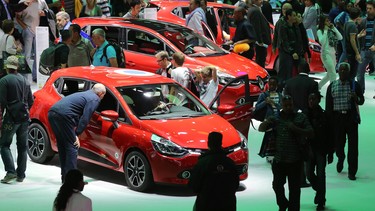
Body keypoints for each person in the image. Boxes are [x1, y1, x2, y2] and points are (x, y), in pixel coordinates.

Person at [259, 95, 313, 211]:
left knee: (294, 190)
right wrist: (268, 121)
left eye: (290, 105)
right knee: (277, 186)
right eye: (286, 105)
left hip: (295, 160)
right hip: (279, 160)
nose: (289, 107)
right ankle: (283, 204)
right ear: (282, 106)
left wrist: (295, 129)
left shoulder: (300, 117)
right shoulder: (276, 118)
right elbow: (261, 128)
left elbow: (310, 132)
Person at [48, 83, 106, 182]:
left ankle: (65, 178)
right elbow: (85, 118)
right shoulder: (94, 99)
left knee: (63, 146)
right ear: (101, 94)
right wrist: (76, 134)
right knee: (72, 147)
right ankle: (72, 181)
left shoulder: (86, 94)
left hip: (52, 113)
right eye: (104, 96)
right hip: (64, 117)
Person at [326, 62, 364, 181]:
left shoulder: (354, 85)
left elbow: (361, 100)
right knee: (339, 144)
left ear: (348, 72)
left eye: (345, 70)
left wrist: (356, 98)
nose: (343, 72)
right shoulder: (332, 86)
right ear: (338, 71)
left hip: (351, 118)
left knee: (353, 146)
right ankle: (340, 157)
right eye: (341, 70)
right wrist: (329, 122)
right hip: (337, 119)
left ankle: (352, 171)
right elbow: (328, 106)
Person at [0, 55, 33, 184]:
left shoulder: (4, 81)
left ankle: (10, 172)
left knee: (4, 144)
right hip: (24, 118)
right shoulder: (25, 80)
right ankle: (21, 175)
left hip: (11, 118)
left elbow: (1, 102)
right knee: (22, 147)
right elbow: (30, 101)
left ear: (6, 66)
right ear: (17, 66)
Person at [188, 131, 239, 211]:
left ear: (208, 143)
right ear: (221, 143)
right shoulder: (230, 163)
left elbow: (194, 187)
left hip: (206, 205)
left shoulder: (202, 163)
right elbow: (236, 184)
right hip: (228, 205)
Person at [305, 92, 334, 211]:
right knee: (309, 174)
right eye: (310, 99)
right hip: (309, 150)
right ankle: (320, 191)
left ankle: (321, 201)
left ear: (318, 100)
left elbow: (330, 134)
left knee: (321, 175)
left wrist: (331, 152)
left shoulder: (324, 115)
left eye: (314, 99)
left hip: (321, 150)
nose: (311, 101)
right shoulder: (304, 115)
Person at [255, 76, 282, 161]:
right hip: (268, 119)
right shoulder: (264, 95)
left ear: (277, 85)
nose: (272, 86)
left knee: (277, 137)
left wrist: (274, 103)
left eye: (274, 84)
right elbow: (257, 107)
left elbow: (281, 107)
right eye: (271, 84)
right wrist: (265, 102)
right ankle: (268, 155)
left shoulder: (280, 95)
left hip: (278, 119)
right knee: (268, 137)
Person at [277, 9, 303, 90]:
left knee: (294, 73)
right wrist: (292, 52)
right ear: (289, 16)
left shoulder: (295, 26)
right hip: (286, 53)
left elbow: (299, 40)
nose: (295, 17)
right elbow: (285, 42)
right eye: (294, 15)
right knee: (286, 73)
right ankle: (283, 90)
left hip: (296, 53)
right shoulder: (283, 26)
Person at [317, 15, 342, 90]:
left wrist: (333, 28)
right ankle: (333, 90)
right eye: (326, 21)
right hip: (325, 54)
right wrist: (325, 30)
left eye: (329, 20)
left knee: (329, 74)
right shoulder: (319, 31)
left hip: (333, 54)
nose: (328, 22)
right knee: (333, 74)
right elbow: (322, 42)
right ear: (323, 22)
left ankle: (317, 87)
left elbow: (340, 37)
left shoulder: (332, 30)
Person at [356, 0, 375, 93]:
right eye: (367, 8)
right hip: (364, 50)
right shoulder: (363, 21)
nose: (368, 10)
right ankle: (360, 92)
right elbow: (357, 35)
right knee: (359, 73)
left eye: (370, 9)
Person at [247, 0, 272, 68]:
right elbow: (256, 27)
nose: (262, 1)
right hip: (260, 43)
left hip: (259, 42)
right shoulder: (255, 11)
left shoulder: (254, 9)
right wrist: (260, 41)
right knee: (260, 61)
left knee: (260, 60)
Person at [343, 7, 366, 80]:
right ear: (357, 16)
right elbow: (352, 40)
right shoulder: (353, 25)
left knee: (350, 73)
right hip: (352, 52)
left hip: (348, 51)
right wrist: (357, 53)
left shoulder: (347, 23)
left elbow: (351, 38)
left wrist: (358, 35)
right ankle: (350, 89)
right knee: (352, 74)